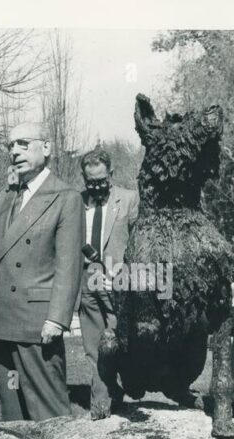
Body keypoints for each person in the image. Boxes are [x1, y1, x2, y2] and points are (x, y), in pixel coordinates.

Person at [0, 122, 83, 421]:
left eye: (23, 143)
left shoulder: (66, 197)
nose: (14, 151)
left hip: (36, 324)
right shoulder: (5, 196)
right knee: (13, 412)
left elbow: (69, 264)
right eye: (11, 146)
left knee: (48, 412)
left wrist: (57, 318)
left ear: (46, 148)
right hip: (0, 319)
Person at [78, 147, 139, 418]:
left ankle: (119, 390)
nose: (96, 186)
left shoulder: (129, 199)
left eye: (101, 181)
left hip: (118, 281)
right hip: (87, 281)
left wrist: (121, 274)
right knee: (93, 347)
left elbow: (139, 244)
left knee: (116, 344)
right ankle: (100, 403)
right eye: (90, 182)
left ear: (111, 174)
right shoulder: (75, 202)